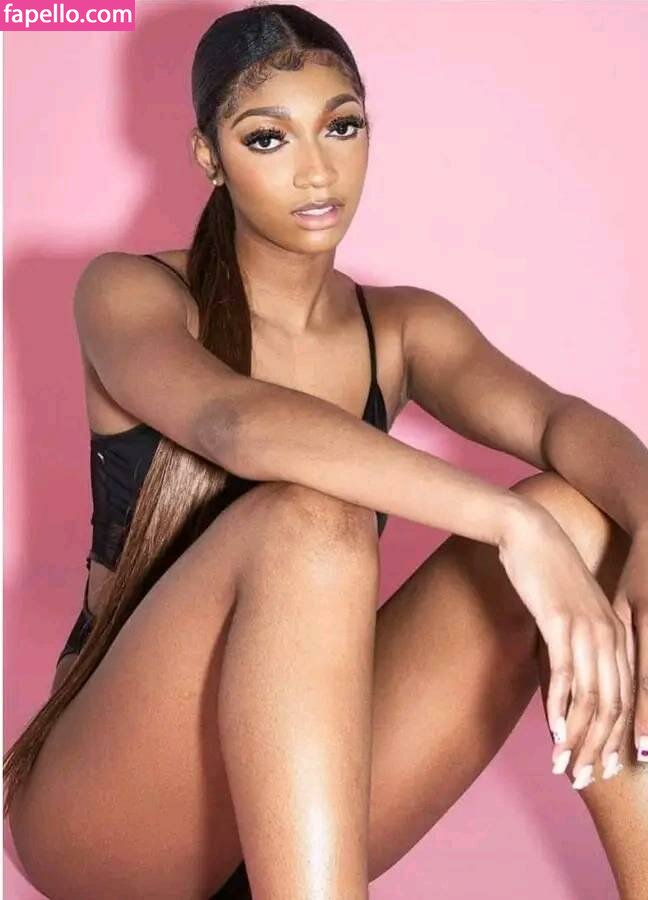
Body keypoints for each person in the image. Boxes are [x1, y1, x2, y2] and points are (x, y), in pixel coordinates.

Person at [4, 3, 647, 898]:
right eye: (268, 138)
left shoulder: (402, 328)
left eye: (341, 126)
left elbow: (558, 422)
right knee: (311, 522)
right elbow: (232, 422)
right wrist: (510, 525)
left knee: (586, 518)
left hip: (305, 809)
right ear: (209, 157)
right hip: (112, 816)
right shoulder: (131, 293)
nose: (316, 170)